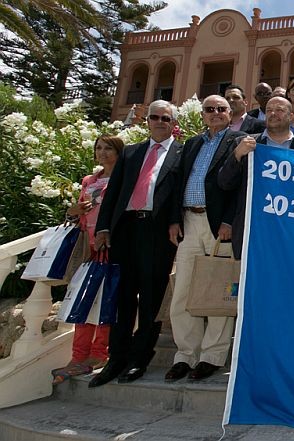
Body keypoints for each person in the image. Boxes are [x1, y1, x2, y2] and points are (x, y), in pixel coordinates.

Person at [90, 100, 183, 387]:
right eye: (154, 117)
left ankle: (139, 359)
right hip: (125, 230)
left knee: (151, 297)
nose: (159, 121)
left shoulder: (182, 153)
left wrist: (175, 221)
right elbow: (113, 194)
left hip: (157, 232)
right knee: (123, 297)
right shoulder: (131, 153)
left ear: (173, 123)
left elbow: (180, 193)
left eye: (165, 118)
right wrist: (104, 227)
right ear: (147, 122)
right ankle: (116, 358)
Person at [164, 95, 243, 382]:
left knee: (218, 290)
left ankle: (211, 356)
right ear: (202, 115)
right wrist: (174, 219)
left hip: (218, 226)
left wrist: (228, 220)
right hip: (189, 221)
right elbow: (177, 183)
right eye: (209, 109)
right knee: (183, 290)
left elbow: (241, 185)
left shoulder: (239, 140)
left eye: (221, 109)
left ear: (230, 112)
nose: (215, 113)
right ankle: (186, 354)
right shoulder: (193, 144)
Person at [52, 135, 124, 385]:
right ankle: (78, 355)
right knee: (83, 302)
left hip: (112, 247)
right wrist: (72, 211)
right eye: (99, 148)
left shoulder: (124, 179)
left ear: (118, 152)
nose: (102, 153)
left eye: (108, 149)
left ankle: (98, 352)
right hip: (88, 247)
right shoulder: (88, 181)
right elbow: (77, 216)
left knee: (105, 301)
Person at [219, 96, 294, 259]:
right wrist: (237, 155)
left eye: (280, 110)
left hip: (290, 231)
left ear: (291, 116)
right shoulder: (244, 142)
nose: (273, 113)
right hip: (252, 229)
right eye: (269, 110)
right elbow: (225, 182)